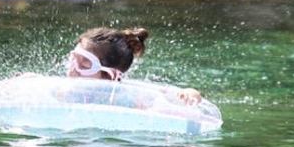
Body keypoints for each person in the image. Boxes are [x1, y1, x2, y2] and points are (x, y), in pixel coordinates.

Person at [67, 26, 201, 103]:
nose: (73, 69)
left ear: (110, 76)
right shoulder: (67, 92)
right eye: (73, 59)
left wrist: (190, 94)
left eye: (85, 65)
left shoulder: (127, 99)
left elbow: (168, 93)